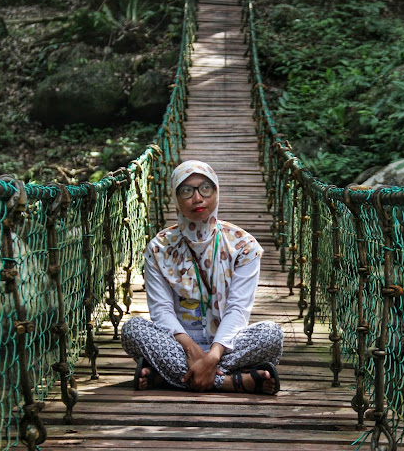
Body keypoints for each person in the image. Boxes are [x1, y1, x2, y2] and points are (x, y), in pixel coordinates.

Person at [121, 160, 284, 394]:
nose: (198, 198)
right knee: (132, 330)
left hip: (227, 344)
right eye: (187, 191)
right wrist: (189, 348)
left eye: (205, 188)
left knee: (271, 334)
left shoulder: (243, 245)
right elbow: (161, 311)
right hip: (178, 344)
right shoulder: (159, 248)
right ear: (176, 199)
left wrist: (214, 355)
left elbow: (238, 310)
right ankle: (233, 381)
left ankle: (167, 378)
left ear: (217, 192)